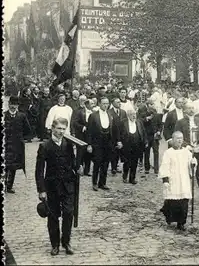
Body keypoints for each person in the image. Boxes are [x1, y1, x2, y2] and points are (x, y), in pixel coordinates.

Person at [35, 117, 84, 256]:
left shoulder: (68, 145)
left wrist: (78, 169)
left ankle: (66, 241)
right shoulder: (45, 146)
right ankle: (55, 244)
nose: (61, 131)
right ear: (52, 128)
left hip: (68, 185)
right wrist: (42, 190)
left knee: (69, 213)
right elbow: (39, 170)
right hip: (52, 187)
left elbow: (73, 162)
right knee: (53, 216)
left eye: (63, 129)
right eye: (59, 128)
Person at [158, 131, 198, 231]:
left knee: (184, 201)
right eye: (177, 138)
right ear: (172, 140)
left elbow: (191, 165)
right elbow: (165, 166)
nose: (179, 140)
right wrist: (165, 180)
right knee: (173, 201)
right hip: (173, 179)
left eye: (181, 138)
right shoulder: (168, 153)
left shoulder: (187, 152)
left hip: (184, 179)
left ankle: (181, 223)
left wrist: (193, 163)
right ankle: (170, 216)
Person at [86, 97, 121, 191]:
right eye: (103, 103)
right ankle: (94, 183)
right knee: (97, 163)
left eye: (107, 103)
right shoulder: (93, 116)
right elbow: (89, 131)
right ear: (100, 104)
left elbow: (115, 129)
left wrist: (118, 140)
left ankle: (102, 183)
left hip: (108, 142)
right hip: (97, 143)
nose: (105, 105)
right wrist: (89, 144)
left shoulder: (110, 115)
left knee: (105, 163)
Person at [4, 96, 32, 193]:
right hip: (6, 145)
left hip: (17, 145)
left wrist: (19, 137)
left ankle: (9, 186)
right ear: (8, 104)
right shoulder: (4, 116)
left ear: (17, 105)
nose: (13, 106)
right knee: (5, 165)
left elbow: (28, 130)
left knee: (13, 166)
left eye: (15, 105)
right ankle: (3, 184)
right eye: (11, 104)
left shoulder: (22, 116)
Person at [119, 109, 148, 184]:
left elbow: (143, 132)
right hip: (127, 145)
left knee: (134, 162)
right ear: (128, 115)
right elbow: (119, 133)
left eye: (135, 114)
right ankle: (125, 175)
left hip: (137, 145)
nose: (134, 116)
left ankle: (132, 178)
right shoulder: (123, 122)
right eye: (132, 114)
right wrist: (119, 142)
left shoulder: (139, 122)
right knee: (127, 162)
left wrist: (145, 142)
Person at [108, 97, 127, 175]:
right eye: (117, 102)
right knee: (114, 152)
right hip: (113, 135)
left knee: (121, 151)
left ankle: (119, 166)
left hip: (122, 134)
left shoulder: (123, 112)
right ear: (113, 103)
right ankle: (114, 167)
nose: (119, 103)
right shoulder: (109, 112)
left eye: (120, 102)